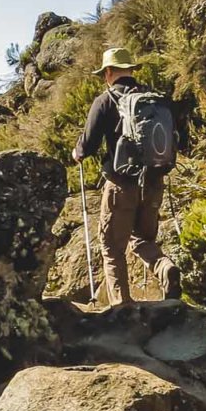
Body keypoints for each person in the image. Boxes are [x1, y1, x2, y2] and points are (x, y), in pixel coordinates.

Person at [71, 47, 183, 305]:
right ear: (131, 70)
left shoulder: (106, 100)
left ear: (108, 72)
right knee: (142, 238)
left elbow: (88, 144)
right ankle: (165, 267)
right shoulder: (156, 100)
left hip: (122, 185)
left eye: (104, 74)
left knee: (111, 247)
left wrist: (77, 152)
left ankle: (122, 308)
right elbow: (179, 138)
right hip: (155, 182)